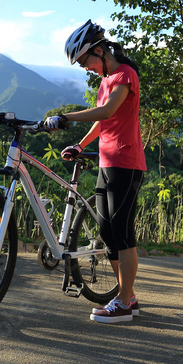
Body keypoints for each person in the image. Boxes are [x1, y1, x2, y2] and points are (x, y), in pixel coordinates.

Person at [42, 20, 147, 324]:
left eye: (85, 61)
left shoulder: (125, 75)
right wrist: (80, 143)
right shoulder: (106, 80)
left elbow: (108, 111)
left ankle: (124, 302)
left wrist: (65, 116)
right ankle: (127, 295)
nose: (85, 67)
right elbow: (102, 124)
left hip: (126, 164)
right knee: (106, 231)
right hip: (106, 162)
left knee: (122, 232)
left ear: (100, 51)